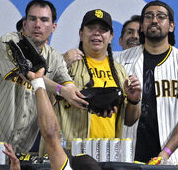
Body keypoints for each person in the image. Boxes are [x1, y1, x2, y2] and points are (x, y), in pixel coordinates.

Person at [0, 0, 87, 163]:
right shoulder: (7, 42)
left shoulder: (54, 57)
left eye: (44, 20)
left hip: (14, 153)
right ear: (25, 24)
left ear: (54, 27)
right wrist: (61, 90)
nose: (37, 24)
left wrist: (81, 97)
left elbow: (68, 84)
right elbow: (29, 74)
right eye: (32, 19)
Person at [118, 1, 178, 164]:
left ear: (171, 26)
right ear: (142, 27)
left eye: (161, 16)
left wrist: (166, 152)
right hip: (129, 156)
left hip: (173, 158)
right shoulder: (121, 60)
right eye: (148, 16)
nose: (154, 20)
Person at [55, 9, 141, 145]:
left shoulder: (119, 70)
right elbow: (40, 92)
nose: (97, 33)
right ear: (81, 33)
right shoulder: (67, 62)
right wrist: (62, 64)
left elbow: (129, 121)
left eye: (103, 29)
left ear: (111, 36)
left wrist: (134, 100)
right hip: (72, 152)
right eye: (91, 28)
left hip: (109, 151)